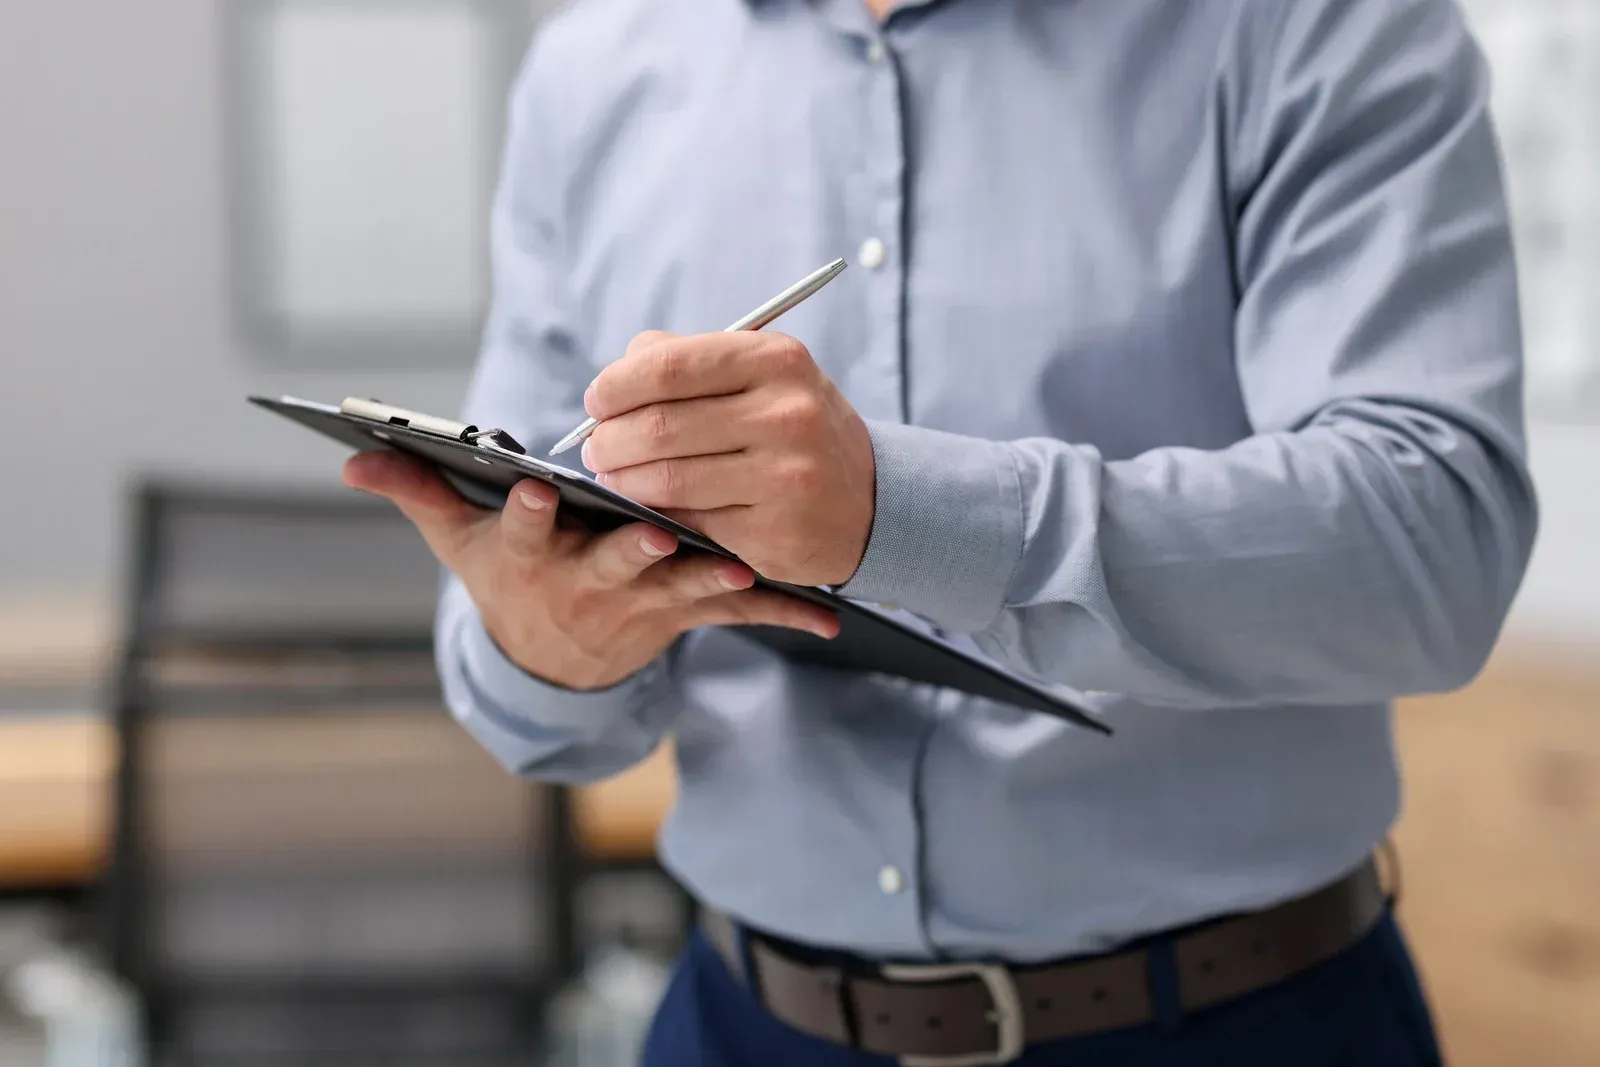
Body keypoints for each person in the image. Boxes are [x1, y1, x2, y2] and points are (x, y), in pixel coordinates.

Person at [345, 0, 1538, 1063]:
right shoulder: (588, 69)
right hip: (741, 1021)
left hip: (1241, 1024)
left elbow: (1433, 545)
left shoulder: (1314, 22)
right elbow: (523, 684)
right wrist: (549, 638)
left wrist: (897, 517)